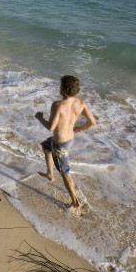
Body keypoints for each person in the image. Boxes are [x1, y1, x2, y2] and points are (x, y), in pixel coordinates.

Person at [35, 75, 96, 215]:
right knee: (45, 146)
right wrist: (80, 128)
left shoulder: (58, 105)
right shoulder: (81, 103)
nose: (59, 87)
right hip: (69, 139)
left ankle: (75, 202)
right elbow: (92, 122)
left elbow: (50, 127)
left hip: (60, 144)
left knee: (65, 173)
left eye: (60, 85)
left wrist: (40, 118)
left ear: (63, 88)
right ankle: (50, 174)